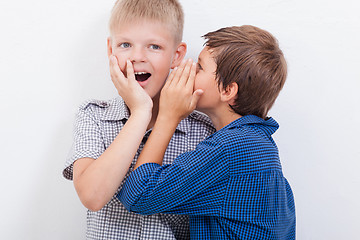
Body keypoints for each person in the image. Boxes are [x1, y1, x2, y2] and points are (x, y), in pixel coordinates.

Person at [118, 25, 296, 239]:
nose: (189, 69)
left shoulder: (233, 148)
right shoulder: (259, 145)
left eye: (200, 67)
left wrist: (168, 116)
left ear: (228, 90)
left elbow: (139, 195)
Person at [63, 0, 215, 239]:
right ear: (110, 50)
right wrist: (141, 112)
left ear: (177, 55)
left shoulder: (204, 131)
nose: (137, 57)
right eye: (125, 44)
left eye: (154, 46)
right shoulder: (93, 116)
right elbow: (92, 196)